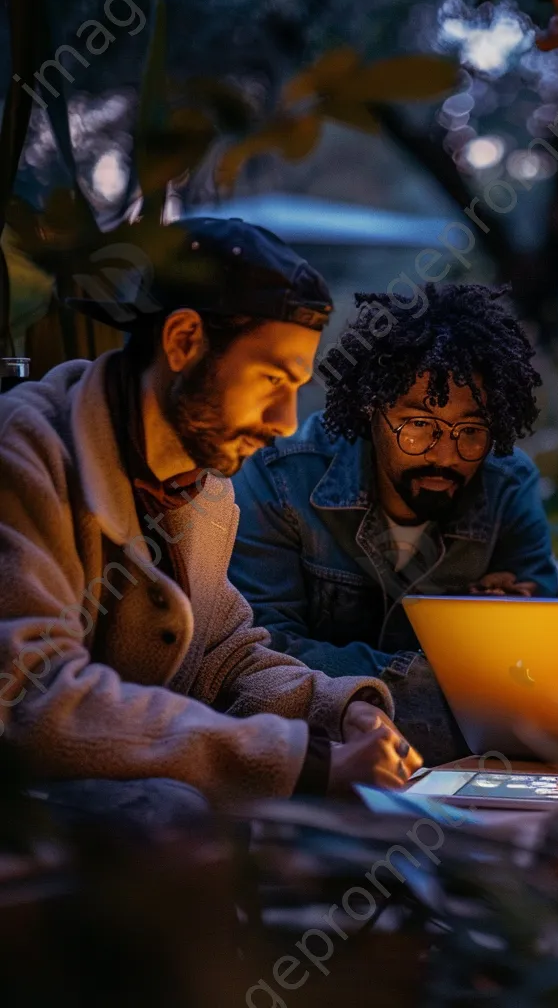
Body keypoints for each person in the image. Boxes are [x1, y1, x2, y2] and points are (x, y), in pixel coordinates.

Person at [0, 217, 420, 828]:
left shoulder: (200, 485)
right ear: (183, 341)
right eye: (273, 379)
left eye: (296, 386)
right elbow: (32, 694)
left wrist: (337, 710)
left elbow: (218, 656)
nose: (284, 419)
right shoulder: (25, 453)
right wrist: (301, 765)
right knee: (169, 817)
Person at [229, 282, 558, 762]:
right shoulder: (280, 479)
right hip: (322, 763)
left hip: (459, 776)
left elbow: (541, 676)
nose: (445, 455)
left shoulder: (508, 486)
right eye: (419, 425)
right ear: (372, 409)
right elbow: (261, 659)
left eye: (470, 431)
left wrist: (512, 628)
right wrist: (454, 668)